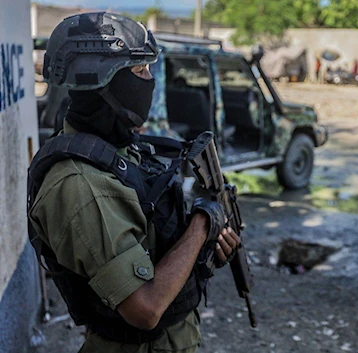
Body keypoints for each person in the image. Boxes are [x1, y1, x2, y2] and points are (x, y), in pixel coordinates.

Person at [27, 12, 241, 352]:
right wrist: (202, 224)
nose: (149, 81)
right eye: (140, 71)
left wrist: (202, 249)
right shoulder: (79, 185)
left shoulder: (118, 148)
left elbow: (151, 238)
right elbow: (144, 308)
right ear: (104, 81)